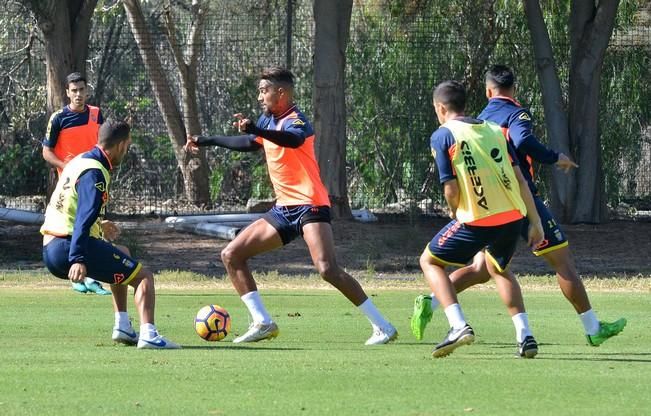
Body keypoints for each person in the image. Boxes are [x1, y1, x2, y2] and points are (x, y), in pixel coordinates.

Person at [411, 65, 626, 347]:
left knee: (484, 269)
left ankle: (434, 301)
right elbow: (523, 141)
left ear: (488, 92)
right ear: (514, 89)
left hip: (486, 203)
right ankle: (592, 327)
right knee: (562, 261)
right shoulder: (516, 114)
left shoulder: (480, 119)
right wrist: (553, 157)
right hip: (519, 200)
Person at [185, 66, 397, 345]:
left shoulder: (297, 120)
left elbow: (293, 140)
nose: (260, 97)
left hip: (310, 205)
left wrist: (258, 128)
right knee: (231, 255)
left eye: (264, 91)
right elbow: (251, 142)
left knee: (327, 269)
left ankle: (383, 326)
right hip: (284, 209)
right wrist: (208, 140)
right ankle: (262, 322)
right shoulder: (267, 120)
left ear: (280, 93)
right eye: (260, 91)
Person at [421, 80, 544, 358]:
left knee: (429, 262)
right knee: (498, 269)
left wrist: (454, 210)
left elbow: (450, 187)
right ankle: (525, 336)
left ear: (440, 108)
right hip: (513, 216)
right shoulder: (494, 130)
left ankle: (457, 326)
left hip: (478, 219)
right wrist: (534, 221)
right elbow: (520, 179)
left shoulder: (443, 135)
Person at [41, 119, 180, 349]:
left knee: (122, 253)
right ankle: (149, 335)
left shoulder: (82, 160)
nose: (127, 150)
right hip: (66, 247)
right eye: (128, 145)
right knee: (143, 276)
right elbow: (83, 217)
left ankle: (123, 326)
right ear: (121, 145)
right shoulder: (95, 172)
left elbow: (71, 206)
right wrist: (77, 258)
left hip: (51, 245)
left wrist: (100, 223)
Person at [42, 72, 110, 296]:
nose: (78, 94)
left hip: (93, 179)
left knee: (95, 225)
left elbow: (103, 146)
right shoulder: (59, 118)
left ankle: (93, 276)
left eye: (81, 90)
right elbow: (46, 152)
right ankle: (75, 276)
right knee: (72, 228)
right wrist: (66, 167)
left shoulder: (96, 115)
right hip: (70, 185)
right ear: (67, 92)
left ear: (86, 90)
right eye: (74, 90)